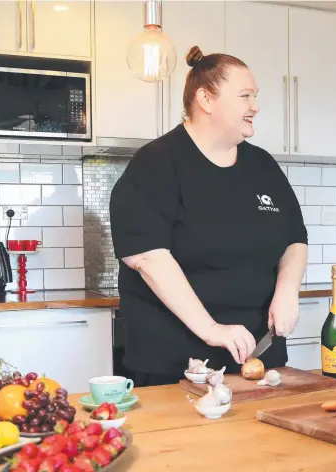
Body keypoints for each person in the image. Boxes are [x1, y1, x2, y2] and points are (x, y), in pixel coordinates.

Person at [109, 46, 308, 387]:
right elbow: (148, 257)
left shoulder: (263, 166)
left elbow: (294, 238)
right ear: (206, 99)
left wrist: (287, 291)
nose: (255, 106)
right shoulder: (156, 164)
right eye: (245, 96)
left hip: (258, 358)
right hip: (174, 363)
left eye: (255, 96)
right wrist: (211, 329)